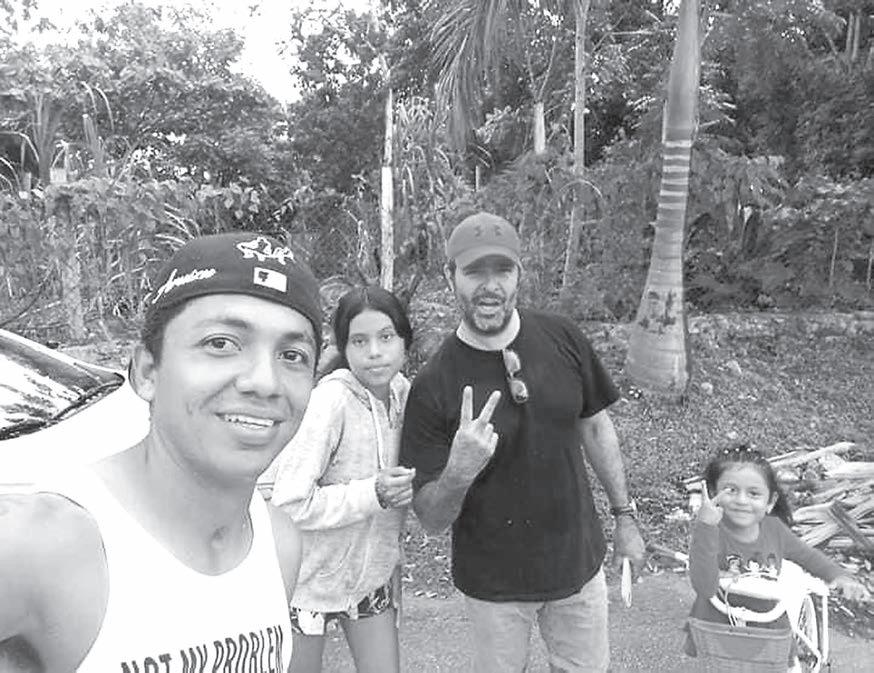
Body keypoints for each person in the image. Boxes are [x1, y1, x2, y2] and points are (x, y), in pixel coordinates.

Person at [0, 232, 324, 672]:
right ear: (148, 371)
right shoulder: (40, 545)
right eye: (221, 344)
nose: (265, 382)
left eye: (292, 355)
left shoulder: (277, 543)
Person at [399, 211, 646, 673]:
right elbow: (430, 518)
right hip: (494, 584)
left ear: (519, 274)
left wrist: (625, 517)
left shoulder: (563, 337)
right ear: (450, 276)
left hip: (577, 566)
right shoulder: (433, 384)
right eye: (475, 271)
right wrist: (458, 471)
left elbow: (595, 427)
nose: (490, 286)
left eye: (502, 270)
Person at [270, 286, 415, 673]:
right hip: (307, 584)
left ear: (405, 341)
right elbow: (289, 503)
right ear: (344, 347)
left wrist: (392, 561)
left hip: (370, 582)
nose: (374, 352)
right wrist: (372, 493)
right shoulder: (329, 402)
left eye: (386, 337)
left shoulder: (404, 395)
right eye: (359, 340)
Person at [685, 443, 870, 662]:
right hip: (719, 629)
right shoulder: (710, 534)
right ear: (712, 494)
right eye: (730, 490)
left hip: (768, 631)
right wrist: (706, 526)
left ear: (770, 502)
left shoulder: (774, 530)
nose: (742, 500)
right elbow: (704, 587)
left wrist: (839, 576)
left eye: (754, 493)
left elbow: (808, 557)